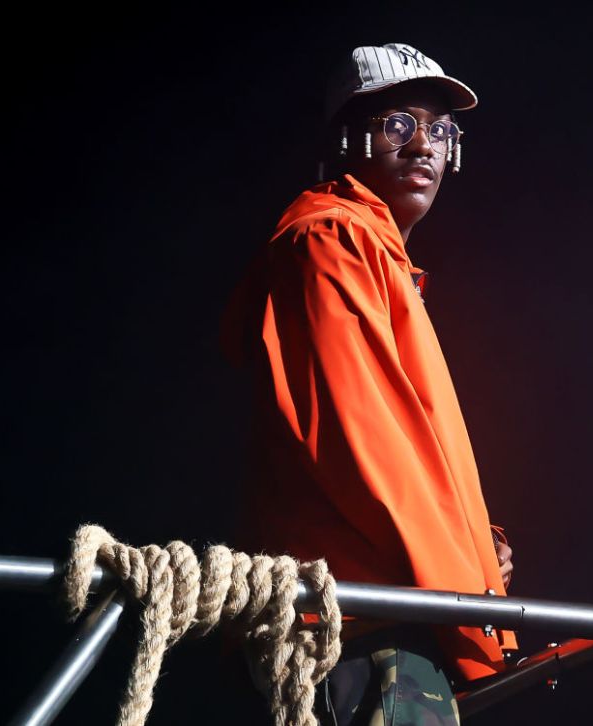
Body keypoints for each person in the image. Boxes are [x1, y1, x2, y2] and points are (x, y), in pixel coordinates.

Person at [221, 42, 516, 725]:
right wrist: (468, 585)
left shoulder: (376, 258)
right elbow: (365, 443)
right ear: (347, 139)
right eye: (399, 125)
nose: (425, 146)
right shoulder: (329, 241)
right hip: (356, 625)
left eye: (441, 131)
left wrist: (477, 549)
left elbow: (401, 446)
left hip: (386, 615)